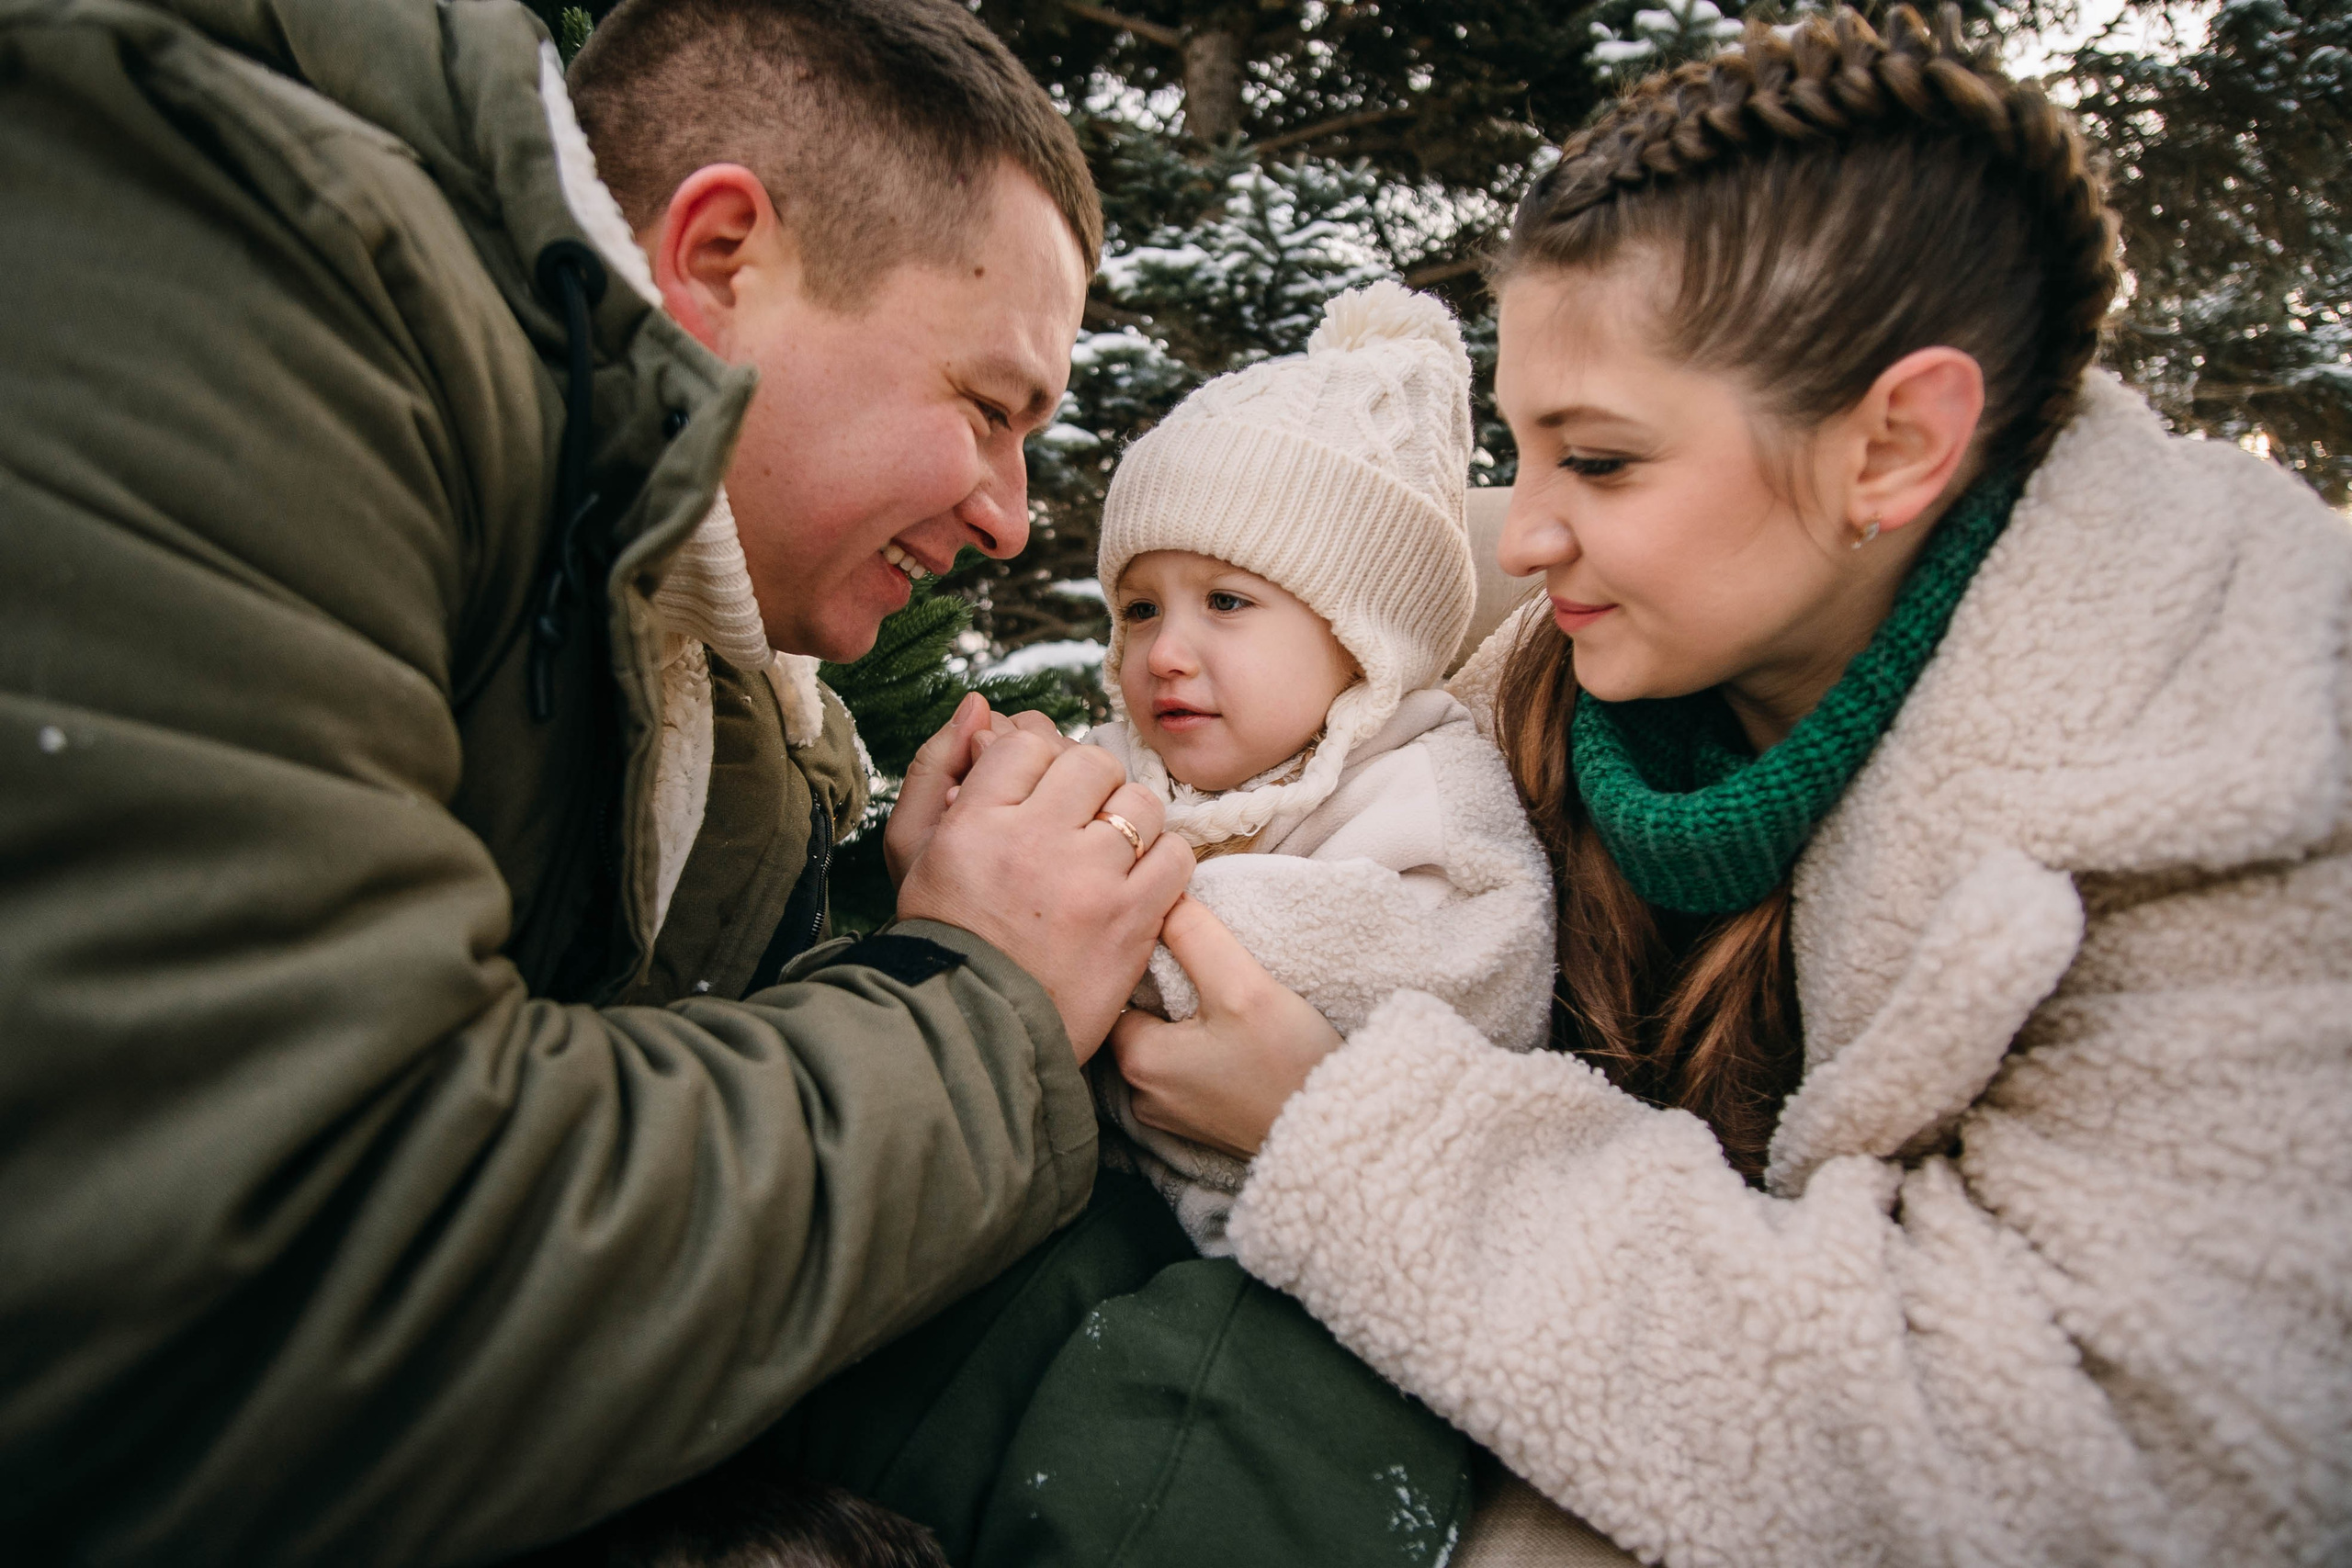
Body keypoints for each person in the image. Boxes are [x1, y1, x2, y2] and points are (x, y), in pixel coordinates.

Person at [1111, 8, 2352, 1565]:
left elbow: (2082, 1467)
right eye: (1521, 450)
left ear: (1893, 446)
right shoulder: (1531, 674)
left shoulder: (2247, 784)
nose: (1531, 530)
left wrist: (1344, 1127)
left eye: (1603, 462)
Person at [0, 2, 1191, 1565]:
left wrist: (885, 931)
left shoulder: (732, 712)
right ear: (716, 262)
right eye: (988, 409)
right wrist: (980, 1002)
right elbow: (258, 1282)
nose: (1014, 520)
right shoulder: (235, 263)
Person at [1085, 280, 1554, 1256]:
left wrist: (1100, 928)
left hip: (1314, 1247)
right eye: (1138, 609)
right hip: (1104, 1201)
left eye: (1224, 601)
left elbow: (1454, 971)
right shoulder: (1116, 766)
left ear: (1361, 639)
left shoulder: (1423, 786)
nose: (1165, 651)